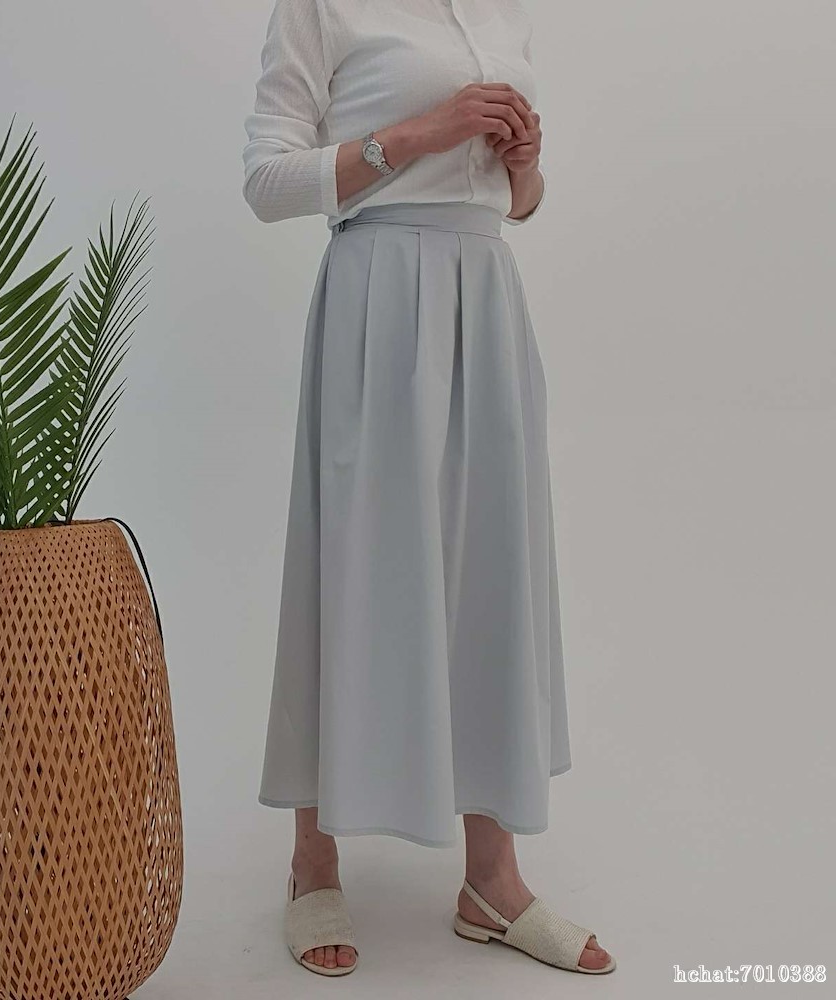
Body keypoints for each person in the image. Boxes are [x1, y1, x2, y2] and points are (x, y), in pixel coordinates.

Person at [242, 0, 615, 978]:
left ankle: (491, 878)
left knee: (493, 571)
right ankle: (312, 858)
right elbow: (266, 181)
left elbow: (515, 205)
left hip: (485, 298)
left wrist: (524, 168)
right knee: (350, 563)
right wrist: (420, 134)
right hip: (377, 297)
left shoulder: (502, 12)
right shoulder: (322, 7)